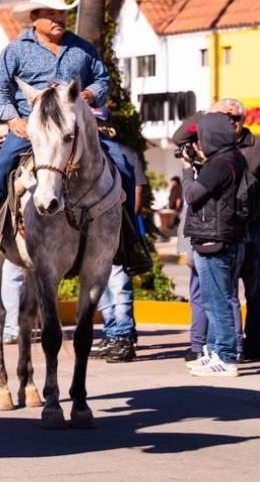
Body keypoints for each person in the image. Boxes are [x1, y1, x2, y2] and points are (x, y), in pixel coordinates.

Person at [0, 0, 134, 269]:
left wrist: (91, 94)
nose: (59, 19)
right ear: (35, 17)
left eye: (62, 14)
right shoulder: (16, 51)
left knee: (122, 163)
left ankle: (128, 240)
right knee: (2, 164)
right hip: (35, 129)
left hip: (77, 129)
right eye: (51, 14)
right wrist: (12, 119)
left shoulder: (82, 49)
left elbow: (103, 79)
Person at [181, 112, 249, 379]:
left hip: (214, 239)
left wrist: (188, 170)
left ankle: (225, 357)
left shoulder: (219, 164)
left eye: (201, 137)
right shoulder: (234, 158)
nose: (197, 141)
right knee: (220, 298)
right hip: (231, 237)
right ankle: (214, 352)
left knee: (215, 301)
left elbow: (192, 194)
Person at [209, 97, 260, 361]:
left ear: (243, 120)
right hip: (222, 229)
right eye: (224, 117)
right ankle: (221, 346)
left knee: (254, 289)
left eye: (235, 118)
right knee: (223, 290)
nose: (230, 122)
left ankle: (254, 344)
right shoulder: (212, 146)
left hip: (253, 230)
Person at [91, 106, 146, 363]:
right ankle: (112, 333)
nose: (96, 126)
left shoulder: (123, 154)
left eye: (99, 122)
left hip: (116, 230)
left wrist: (125, 223)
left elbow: (134, 196)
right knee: (100, 287)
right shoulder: (81, 155)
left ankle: (124, 336)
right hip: (91, 234)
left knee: (118, 284)